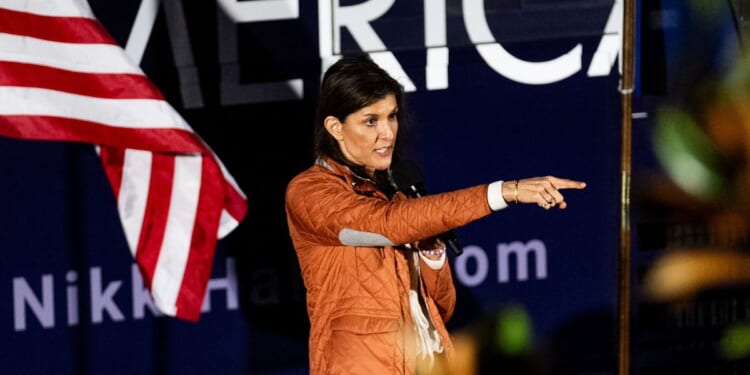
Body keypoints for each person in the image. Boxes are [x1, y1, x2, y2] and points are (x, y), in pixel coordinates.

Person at [284, 54, 587, 375]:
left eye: (392, 116)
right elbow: (386, 226)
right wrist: (505, 191)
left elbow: (441, 307)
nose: (387, 133)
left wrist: (431, 257)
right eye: (370, 121)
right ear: (335, 127)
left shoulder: (397, 195)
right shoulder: (309, 192)